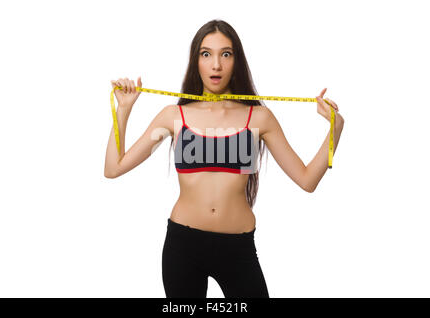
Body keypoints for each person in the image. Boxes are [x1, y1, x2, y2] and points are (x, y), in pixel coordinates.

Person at [104, 19, 344, 298]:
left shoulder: (259, 117)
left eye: (225, 54)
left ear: (236, 60)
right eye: (206, 54)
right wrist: (123, 110)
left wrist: (335, 130)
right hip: (183, 245)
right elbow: (114, 168)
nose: (216, 64)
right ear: (196, 61)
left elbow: (307, 180)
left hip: (238, 248)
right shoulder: (173, 117)